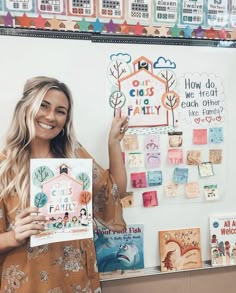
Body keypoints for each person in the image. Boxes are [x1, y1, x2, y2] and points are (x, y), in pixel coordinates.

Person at [0, 76, 128, 292]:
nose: (51, 116)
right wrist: (15, 236)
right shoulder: (5, 167)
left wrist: (113, 143)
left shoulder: (74, 158)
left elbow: (115, 193)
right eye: (43, 105)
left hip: (77, 280)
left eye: (60, 111)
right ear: (26, 108)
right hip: (28, 283)